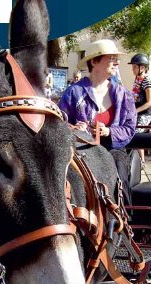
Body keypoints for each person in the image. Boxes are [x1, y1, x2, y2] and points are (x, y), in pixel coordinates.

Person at [58, 39, 137, 205]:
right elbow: (58, 122)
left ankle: (123, 217)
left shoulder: (124, 95)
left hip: (113, 149)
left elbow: (129, 129)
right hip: (82, 149)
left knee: (118, 171)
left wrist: (109, 132)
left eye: (117, 58)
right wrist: (73, 129)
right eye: (112, 58)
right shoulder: (74, 92)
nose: (117, 62)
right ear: (94, 62)